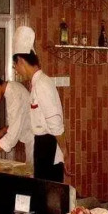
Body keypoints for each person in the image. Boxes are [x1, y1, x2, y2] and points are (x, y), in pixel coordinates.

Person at [11, 26, 66, 182]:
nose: (17, 70)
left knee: (49, 193)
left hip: (48, 146)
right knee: (41, 191)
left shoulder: (43, 84)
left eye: (15, 66)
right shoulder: (36, 83)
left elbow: (55, 124)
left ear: (21, 61)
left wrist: (65, 151)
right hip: (42, 146)